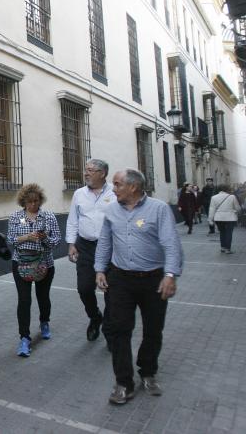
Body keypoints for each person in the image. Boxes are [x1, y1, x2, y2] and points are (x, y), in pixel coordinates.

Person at [95, 169, 183, 405]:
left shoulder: (159, 209)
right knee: (119, 329)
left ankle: (147, 371)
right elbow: (105, 241)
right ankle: (123, 382)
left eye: (117, 184)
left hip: (154, 279)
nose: (112, 189)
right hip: (121, 278)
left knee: (153, 329)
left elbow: (171, 244)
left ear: (133, 187)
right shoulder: (112, 210)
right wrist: (100, 269)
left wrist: (170, 274)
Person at [6, 183, 61, 358]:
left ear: (40, 200)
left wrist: (44, 238)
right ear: (23, 201)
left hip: (44, 263)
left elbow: (56, 241)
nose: (33, 205)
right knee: (24, 300)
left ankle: (44, 322)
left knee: (43, 297)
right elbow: (11, 240)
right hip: (20, 263)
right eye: (29, 202)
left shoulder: (48, 216)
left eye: (36, 201)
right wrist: (27, 237)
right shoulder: (16, 216)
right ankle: (24, 338)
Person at [66, 159, 115, 344]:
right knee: (84, 288)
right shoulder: (79, 194)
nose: (86, 173)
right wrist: (71, 243)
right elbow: (73, 220)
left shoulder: (114, 192)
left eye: (90, 170)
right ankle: (95, 317)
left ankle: (110, 330)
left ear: (102, 173)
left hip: (110, 248)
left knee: (111, 291)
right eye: (85, 170)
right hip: (85, 246)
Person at [208, 183, 241, 254]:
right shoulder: (232, 197)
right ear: (227, 189)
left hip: (219, 218)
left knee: (222, 232)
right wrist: (237, 212)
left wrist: (210, 219)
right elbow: (237, 208)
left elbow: (211, 209)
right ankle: (227, 249)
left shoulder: (214, 197)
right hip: (230, 218)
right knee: (229, 233)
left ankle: (222, 247)